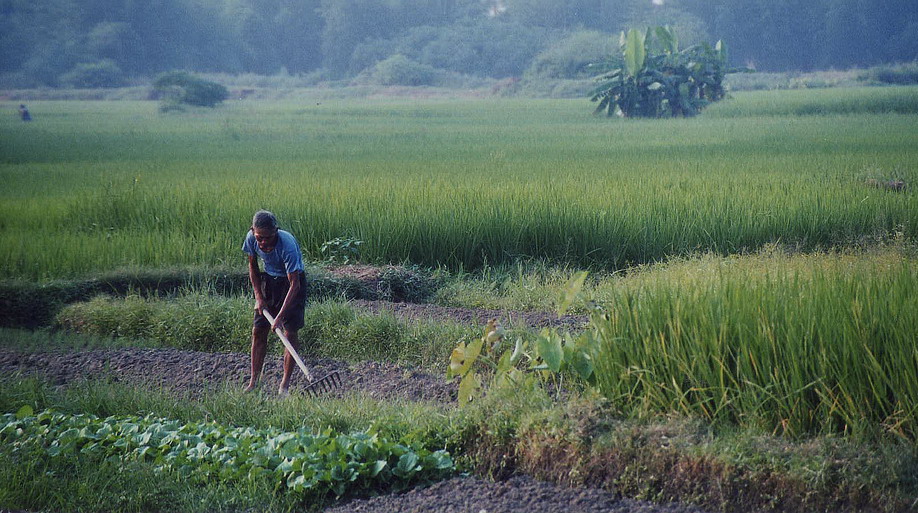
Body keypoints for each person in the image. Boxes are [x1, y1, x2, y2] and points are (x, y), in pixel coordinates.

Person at [242, 210, 307, 394]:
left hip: (291, 284)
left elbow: (295, 284)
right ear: (253, 231)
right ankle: (254, 382)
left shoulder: (287, 245)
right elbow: (253, 267)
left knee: (290, 332)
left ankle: (284, 386)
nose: (263, 243)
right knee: (258, 330)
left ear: (276, 232)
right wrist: (259, 296)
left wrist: (279, 317)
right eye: (259, 238)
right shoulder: (251, 239)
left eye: (268, 238)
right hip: (268, 281)